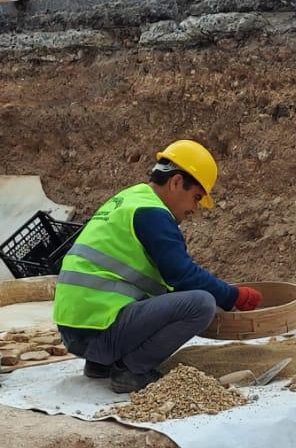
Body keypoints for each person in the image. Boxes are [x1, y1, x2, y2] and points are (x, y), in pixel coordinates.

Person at [54, 140, 263, 394]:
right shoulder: (152, 213)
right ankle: (131, 370)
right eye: (196, 198)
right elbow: (183, 276)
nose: (194, 210)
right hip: (97, 328)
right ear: (176, 183)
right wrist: (233, 295)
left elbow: (162, 282)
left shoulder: (129, 199)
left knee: (173, 297)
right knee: (201, 304)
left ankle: (101, 364)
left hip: (76, 328)